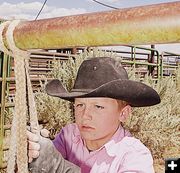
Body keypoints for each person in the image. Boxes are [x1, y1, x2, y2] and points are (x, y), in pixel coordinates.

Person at [28, 57, 160, 173]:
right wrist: (36, 151)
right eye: (80, 105)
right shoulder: (69, 135)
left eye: (98, 107)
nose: (85, 116)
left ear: (123, 114)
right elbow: (46, 160)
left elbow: (54, 165)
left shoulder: (134, 156)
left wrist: (59, 168)